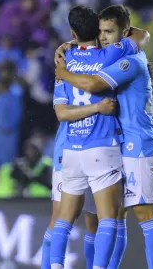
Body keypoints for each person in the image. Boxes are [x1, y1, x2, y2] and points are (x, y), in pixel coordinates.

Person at [54, 5, 153, 269]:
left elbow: (94, 84)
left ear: (124, 33)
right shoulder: (113, 55)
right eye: (100, 32)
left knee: (146, 214)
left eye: (109, 31)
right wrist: (71, 44)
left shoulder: (129, 60)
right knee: (115, 215)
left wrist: (64, 72)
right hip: (120, 144)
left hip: (137, 145)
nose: (103, 37)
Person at [40, 84, 116, 269]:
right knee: (60, 215)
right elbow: (62, 112)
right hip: (69, 147)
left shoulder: (101, 64)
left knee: (94, 221)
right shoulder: (66, 67)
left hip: (98, 146)